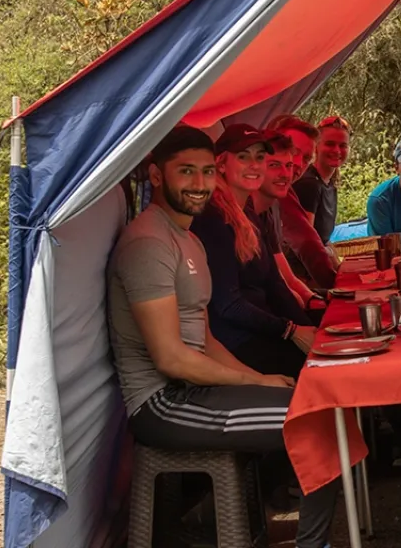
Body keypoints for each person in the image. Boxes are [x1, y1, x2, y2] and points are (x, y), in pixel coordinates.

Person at [107, 126, 337, 548]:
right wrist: (253, 379)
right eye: (186, 171)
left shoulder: (188, 239)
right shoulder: (148, 243)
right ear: (156, 176)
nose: (199, 183)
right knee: (316, 426)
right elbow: (172, 359)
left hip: (197, 390)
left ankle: (254, 528)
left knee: (324, 408)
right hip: (164, 404)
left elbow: (206, 338)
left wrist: (260, 379)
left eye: (207, 172)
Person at [190, 124, 314, 379]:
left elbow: (274, 283)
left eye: (259, 157)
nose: (254, 165)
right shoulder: (213, 217)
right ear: (221, 164)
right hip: (236, 344)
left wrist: (310, 329)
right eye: (243, 157)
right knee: (322, 371)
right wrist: (290, 330)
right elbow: (228, 305)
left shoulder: (247, 211)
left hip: (264, 331)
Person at [265, 114, 338, 290]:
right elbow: (306, 243)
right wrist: (335, 285)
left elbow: (306, 242)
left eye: (306, 158)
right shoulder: (302, 187)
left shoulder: (283, 193)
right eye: (293, 152)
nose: (297, 163)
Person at [293, 116, 351, 245]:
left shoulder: (330, 184)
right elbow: (305, 243)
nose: (337, 150)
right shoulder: (309, 185)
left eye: (343, 145)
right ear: (316, 146)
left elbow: (323, 240)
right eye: (330, 144)